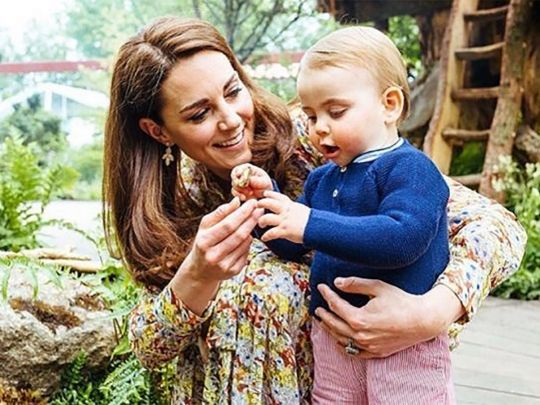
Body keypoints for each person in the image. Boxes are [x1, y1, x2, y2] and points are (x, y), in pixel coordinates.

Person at [102, 16, 527, 404]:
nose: (231, 119)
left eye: (233, 91)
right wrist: (198, 275)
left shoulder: (323, 141)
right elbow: (150, 347)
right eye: (200, 114)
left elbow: (496, 226)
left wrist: (431, 313)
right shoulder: (169, 205)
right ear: (159, 131)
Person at [231, 26, 454, 403]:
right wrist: (264, 202)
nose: (319, 128)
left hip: (403, 344)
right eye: (311, 115)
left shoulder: (411, 169)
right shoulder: (322, 179)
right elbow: (292, 244)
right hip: (332, 337)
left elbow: (402, 239)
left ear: (389, 105)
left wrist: (309, 222)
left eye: (336, 112)